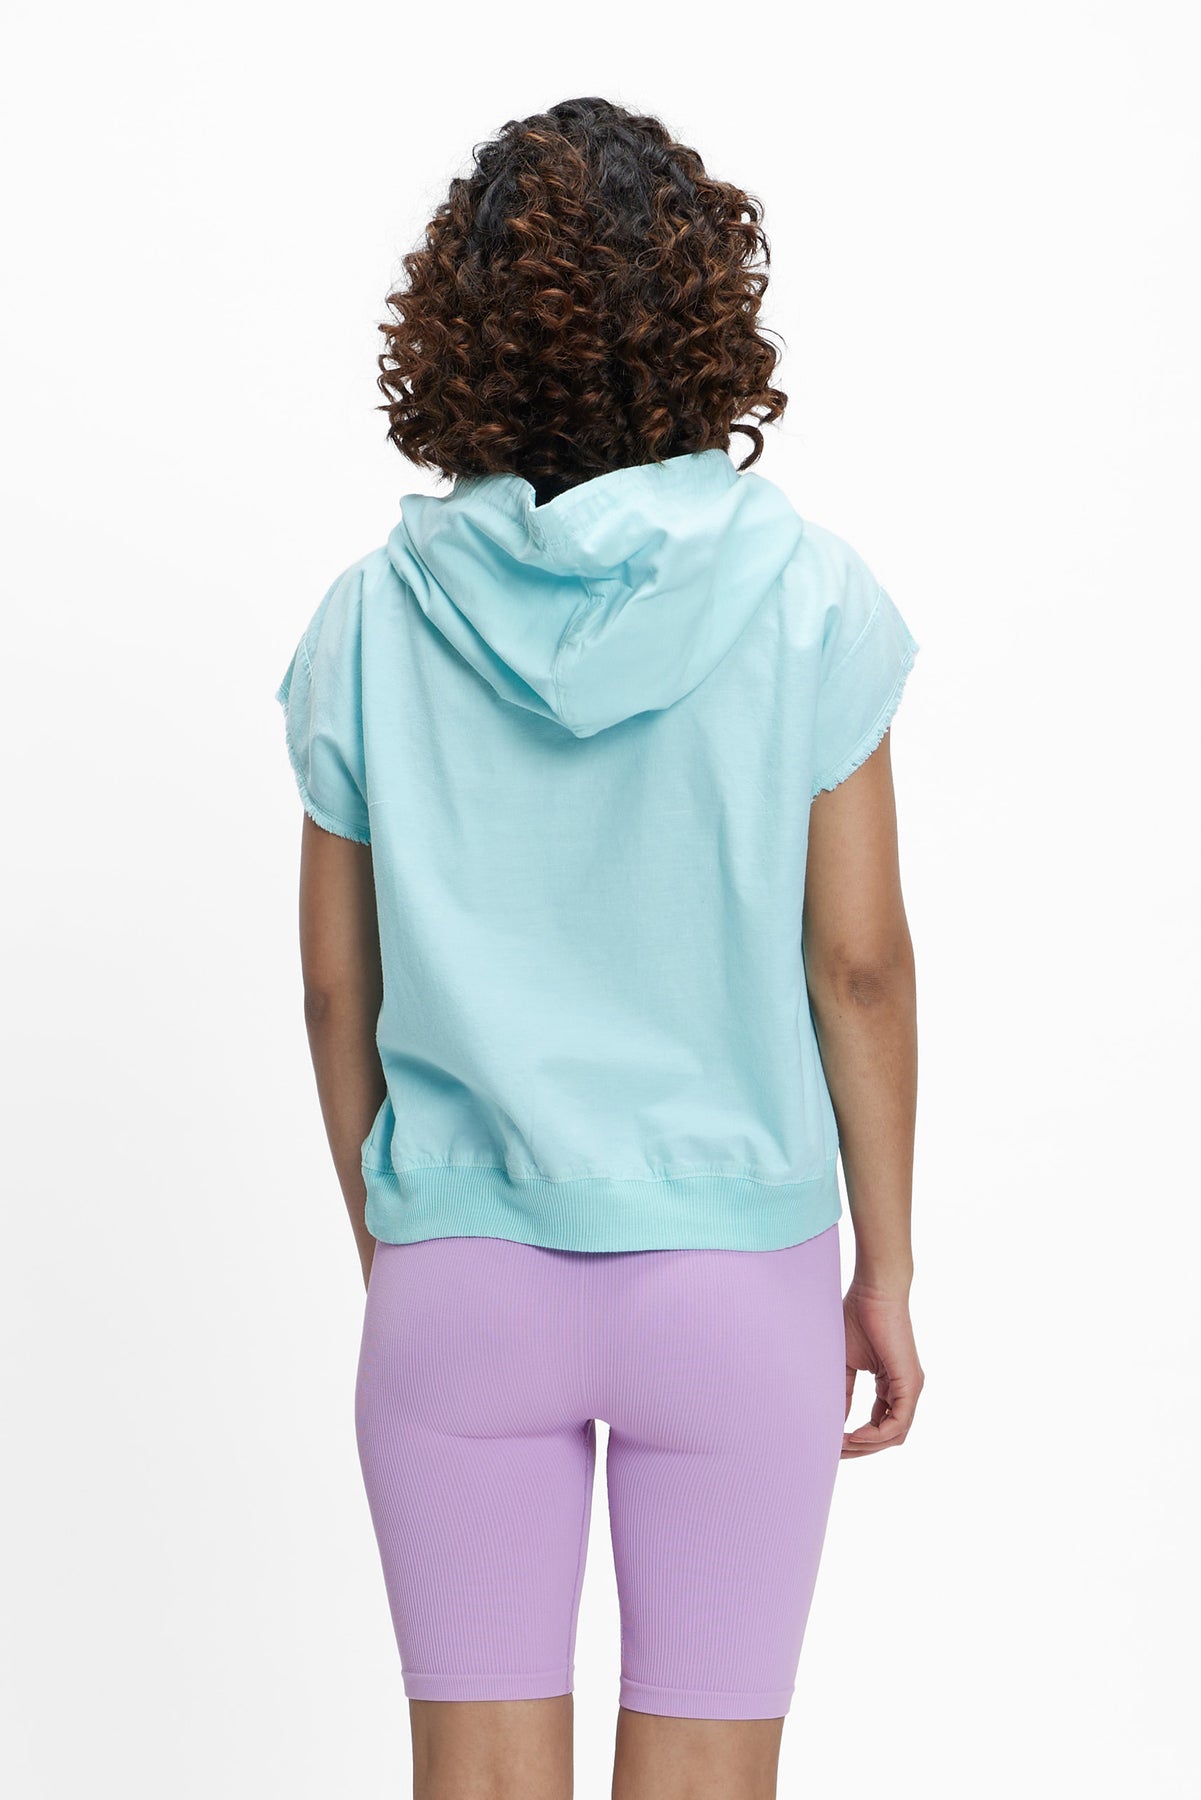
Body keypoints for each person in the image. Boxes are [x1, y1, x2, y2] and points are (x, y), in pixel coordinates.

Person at [274, 95, 925, 1800]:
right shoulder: (806, 596)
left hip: (461, 1266)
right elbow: (857, 967)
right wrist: (885, 1268)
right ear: (706, 320)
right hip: (735, 1275)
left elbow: (336, 986)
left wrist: (402, 1231)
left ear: (459, 335)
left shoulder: (369, 617)